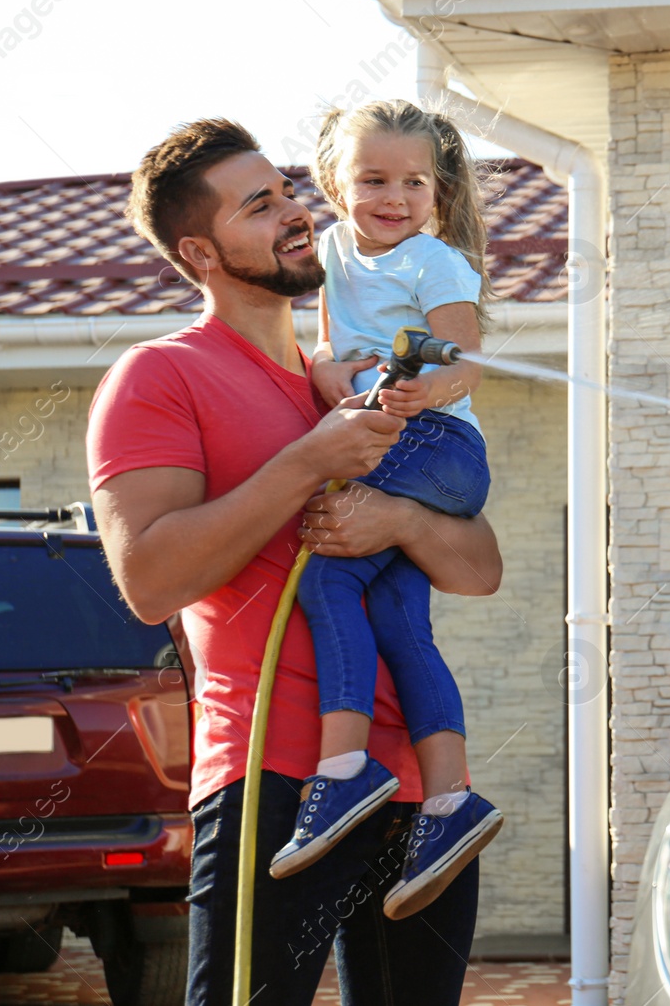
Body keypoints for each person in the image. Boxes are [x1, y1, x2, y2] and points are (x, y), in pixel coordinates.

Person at [87, 118, 502, 1006]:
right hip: (274, 784)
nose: (293, 213)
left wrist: (394, 514)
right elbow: (150, 579)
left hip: (418, 793)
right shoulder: (161, 377)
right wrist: (310, 461)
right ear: (200, 251)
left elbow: (477, 568)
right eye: (258, 205)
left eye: (285, 192)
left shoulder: (350, 383)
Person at [266, 100, 502, 921]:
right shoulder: (329, 252)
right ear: (335, 184)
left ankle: (343, 769)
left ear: (437, 194)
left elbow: (466, 358)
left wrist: (420, 388)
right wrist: (331, 374)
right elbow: (328, 348)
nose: (393, 195)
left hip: (437, 448)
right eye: (372, 179)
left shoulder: (432, 260)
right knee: (402, 623)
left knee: (326, 584)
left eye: (413, 181)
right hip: (393, 444)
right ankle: (448, 801)